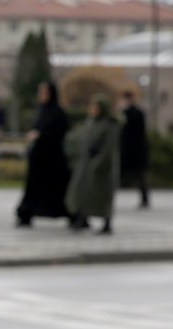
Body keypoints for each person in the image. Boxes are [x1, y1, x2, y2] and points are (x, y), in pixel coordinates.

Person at [15, 81, 70, 227]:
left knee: (58, 190)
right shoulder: (42, 111)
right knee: (34, 189)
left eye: (44, 92)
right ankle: (26, 214)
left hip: (52, 160)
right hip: (39, 160)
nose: (41, 95)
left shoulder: (57, 112)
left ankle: (73, 214)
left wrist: (40, 135)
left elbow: (58, 133)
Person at [66, 94, 120, 234]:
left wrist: (99, 162)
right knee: (83, 193)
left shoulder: (110, 125)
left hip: (103, 167)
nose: (93, 110)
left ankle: (107, 222)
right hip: (86, 165)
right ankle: (82, 218)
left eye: (96, 107)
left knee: (103, 197)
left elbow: (109, 148)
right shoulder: (90, 123)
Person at [118, 89, 150, 208]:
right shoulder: (123, 113)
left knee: (140, 176)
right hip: (126, 149)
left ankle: (145, 199)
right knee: (119, 174)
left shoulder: (137, 113)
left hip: (137, 149)